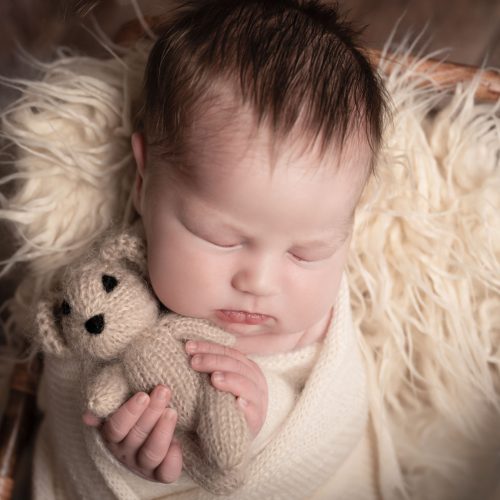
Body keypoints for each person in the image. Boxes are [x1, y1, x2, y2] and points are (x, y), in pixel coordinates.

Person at [33, 0, 407, 498]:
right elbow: (63, 403)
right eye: (221, 239)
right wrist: (122, 454)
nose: (259, 281)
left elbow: (342, 424)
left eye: (306, 252)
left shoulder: (317, 322)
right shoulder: (107, 294)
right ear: (144, 180)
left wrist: (266, 412)